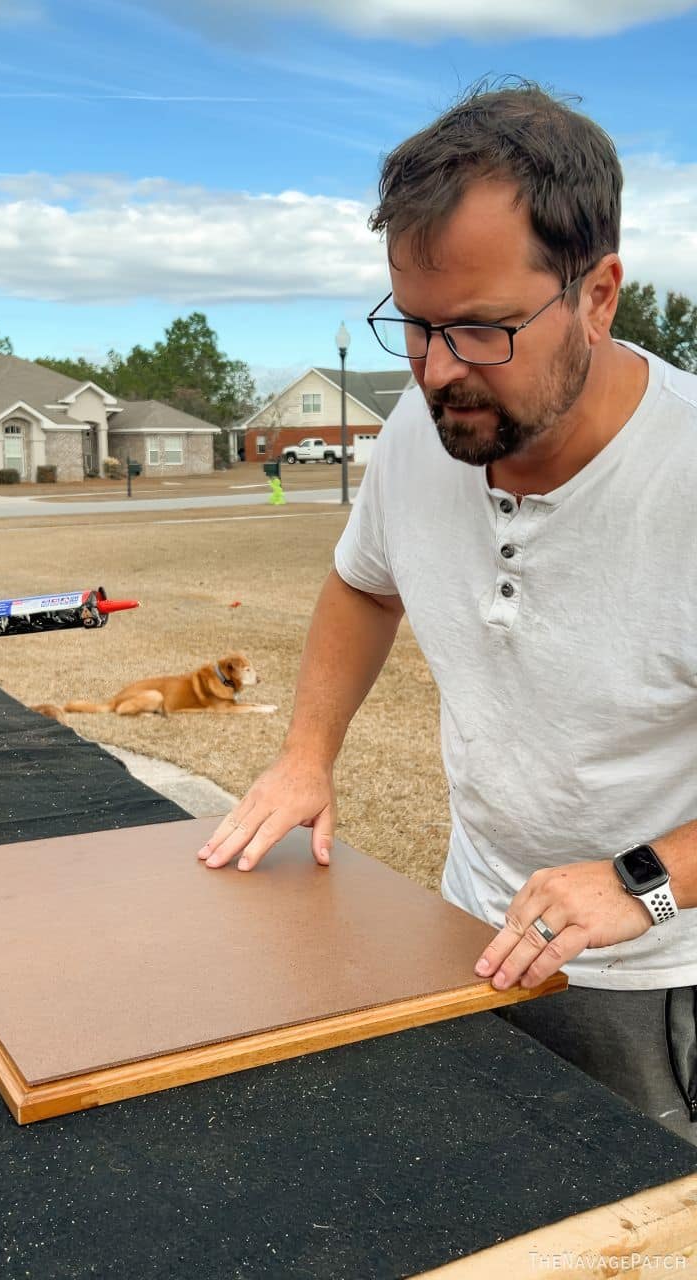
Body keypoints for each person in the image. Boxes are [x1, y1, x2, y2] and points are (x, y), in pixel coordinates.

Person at [198, 82, 697, 1142]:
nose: (432, 373)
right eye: (412, 325)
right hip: (469, 921)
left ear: (598, 295)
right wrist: (304, 752)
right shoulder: (426, 434)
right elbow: (362, 581)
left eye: (478, 329)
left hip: (662, 967)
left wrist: (642, 881)